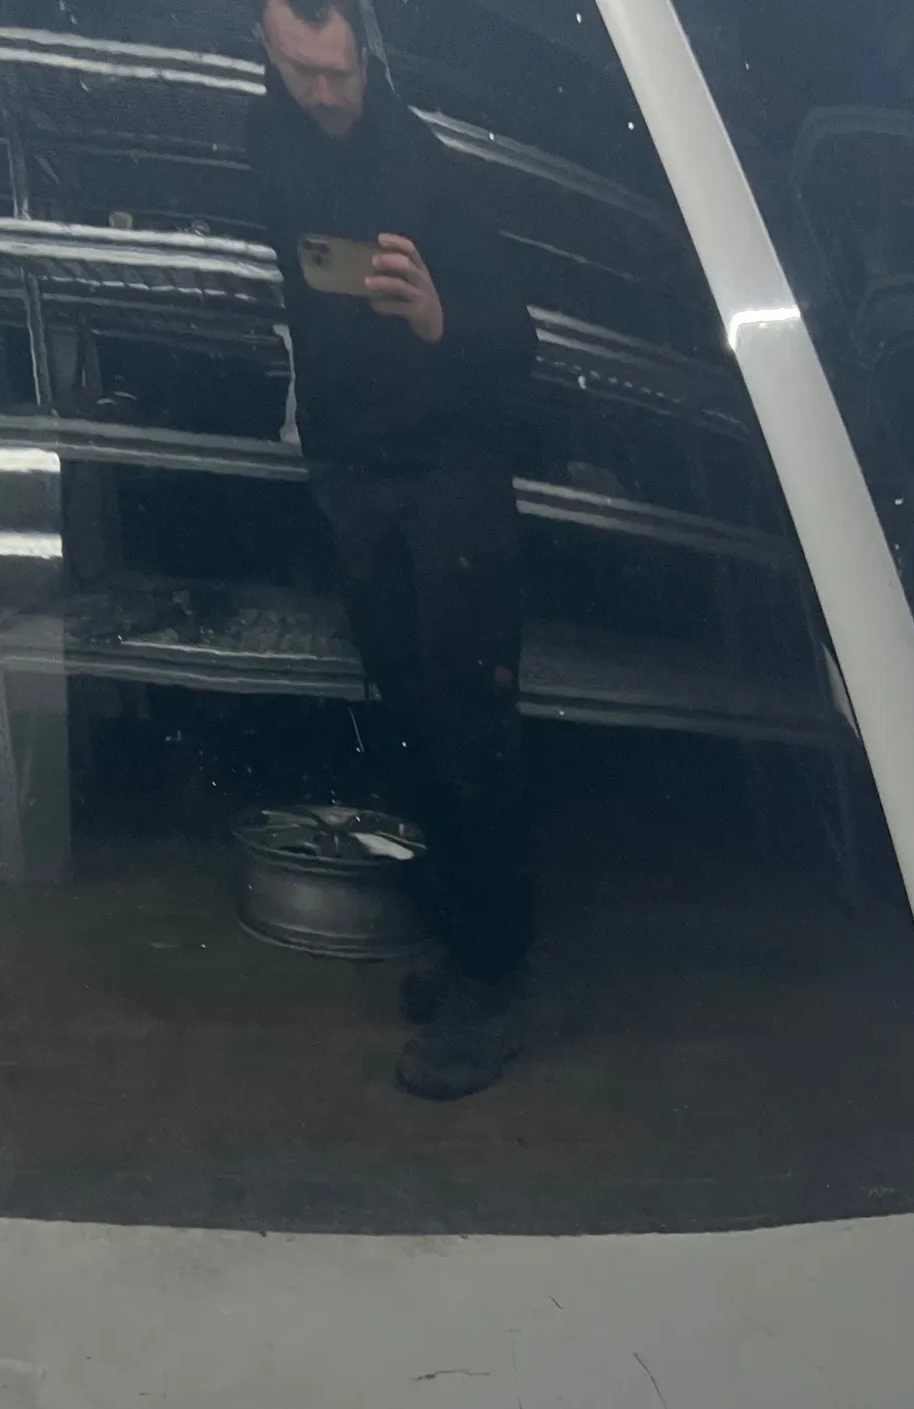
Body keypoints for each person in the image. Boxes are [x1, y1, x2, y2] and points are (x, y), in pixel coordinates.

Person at [247, 0, 539, 1101]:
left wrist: (437, 319)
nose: (325, 94)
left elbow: (519, 348)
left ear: (368, 50)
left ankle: (496, 986)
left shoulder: (429, 165)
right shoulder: (267, 140)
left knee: (472, 735)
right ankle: (467, 951)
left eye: (340, 72)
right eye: (302, 73)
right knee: (416, 723)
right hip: (356, 477)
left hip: (453, 475)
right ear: (265, 53)